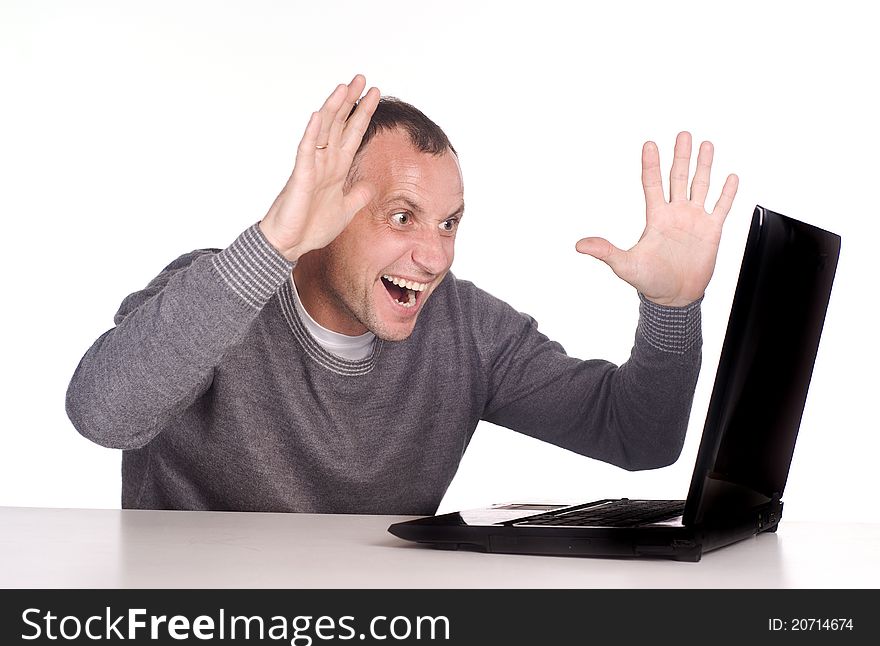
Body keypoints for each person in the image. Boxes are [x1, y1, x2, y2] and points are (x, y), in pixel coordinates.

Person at [65, 74, 739, 514]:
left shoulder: (470, 333)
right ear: (329, 211)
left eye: (450, 223)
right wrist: (272, 244)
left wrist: (671, 311)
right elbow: (100, 414)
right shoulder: (220, 291)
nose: (435, 253)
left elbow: (640, 436)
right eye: (402, 217)